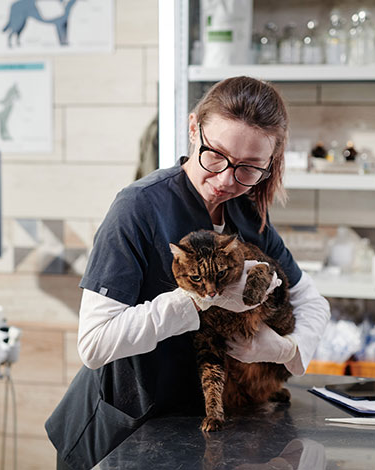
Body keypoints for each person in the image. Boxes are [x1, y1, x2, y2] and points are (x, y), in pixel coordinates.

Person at [45, 76, 330, 470]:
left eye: (249, 168)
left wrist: (283, 349)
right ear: (194, 129)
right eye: (216, 156)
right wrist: (193, 301)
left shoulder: (246, 213)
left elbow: (312, 302)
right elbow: (94, 344)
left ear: (271, 162)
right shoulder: (139, 208)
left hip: (196, 432)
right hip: (123, 434)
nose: (227, 180)